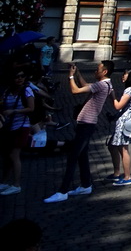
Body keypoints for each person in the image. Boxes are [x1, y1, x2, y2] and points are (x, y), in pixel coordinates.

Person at [44, 60, 114, 203]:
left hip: (87, 125)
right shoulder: (105, 84)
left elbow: (75, 90)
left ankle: (63, 191)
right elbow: (85, 85)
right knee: (82, 156)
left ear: (104, 72)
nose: (95, 71)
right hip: (86, 124)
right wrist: (78, 73)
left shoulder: (101, 84)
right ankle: (86, 185)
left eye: (98, 69)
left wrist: (70, 76)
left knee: (73, 156)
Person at [0, 69, 35, 196]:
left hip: (22, 126)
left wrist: (14, 111)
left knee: (14, 155)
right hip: (9, 127)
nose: (20, 79)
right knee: (7, 156)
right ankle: (4, 181)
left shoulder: (27, 90)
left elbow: (31, 108)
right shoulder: (7, 91)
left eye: (22, 76)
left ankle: (16, 184)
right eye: (17, 76)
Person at [106, 69, 131, 187]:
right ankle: (117, 173)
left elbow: (118, 106)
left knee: (123, 149)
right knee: (112, 145)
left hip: (125, 122)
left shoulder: (130, 90)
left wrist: (112, 95)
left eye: (125, 74)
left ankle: (127, 177)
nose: (123, 76)